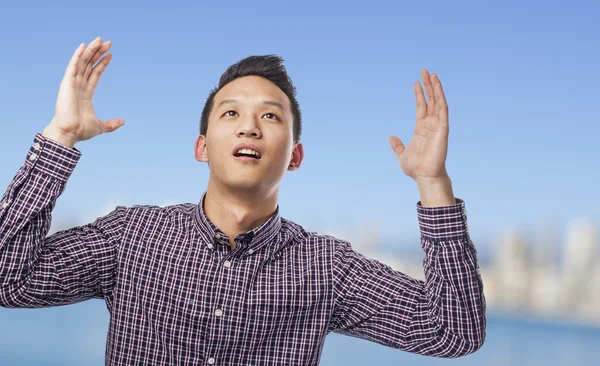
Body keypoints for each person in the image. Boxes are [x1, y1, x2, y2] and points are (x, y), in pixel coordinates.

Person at [0, 36, 486, 365]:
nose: (250, 126)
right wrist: (61, 136)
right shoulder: (132, 237)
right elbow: (8, 281)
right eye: (231, 112)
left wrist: (432, 181)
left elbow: (452, 331)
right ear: (202, 146)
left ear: (294, 156)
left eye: (271, 117)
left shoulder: (325, 268)